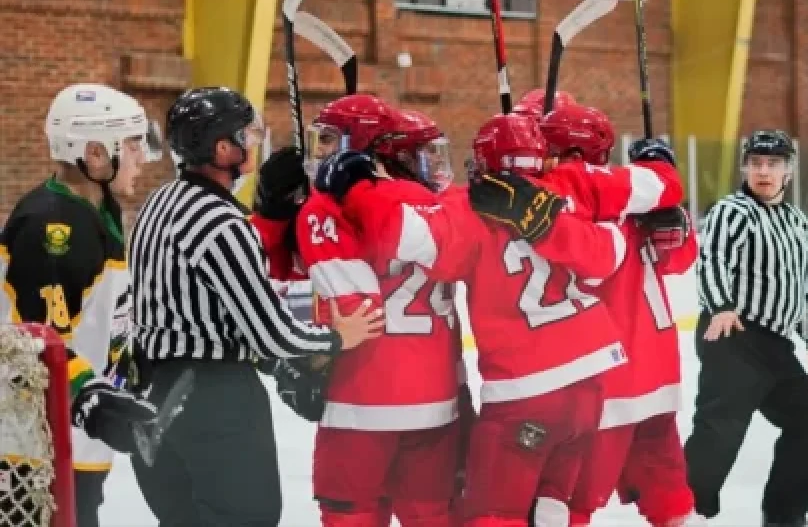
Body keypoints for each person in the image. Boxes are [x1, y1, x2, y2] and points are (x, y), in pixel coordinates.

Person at [313, 112, 631, 527]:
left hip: (526, 387)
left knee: (493, 513)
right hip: (592, 381)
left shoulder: (468, 206)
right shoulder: (564, 193)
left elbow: (406, 234)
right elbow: (611, 254)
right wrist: (546, 220)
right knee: (550, 502)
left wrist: (356, 187)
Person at [127, 86, 385, 526]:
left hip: (150, 395)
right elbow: (271, 331)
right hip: (212, 401)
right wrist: (338, 335)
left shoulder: (158, 203)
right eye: (246, 134)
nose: (255, 141)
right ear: (222, 147)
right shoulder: (222, 223)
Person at [288, 94, 464, 527]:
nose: (322, 152)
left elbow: (355, 312)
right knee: (431, 516)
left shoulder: (325, 206)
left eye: (329, 141)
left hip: (359, 401)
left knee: (352, 515)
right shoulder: (443, 201)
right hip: (436, 402)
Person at [0, 83, 164, 527]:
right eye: (131, 145)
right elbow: (35, 337)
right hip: (33, 451)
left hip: (68, 438)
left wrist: (129, 360)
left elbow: (95, 312)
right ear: (95, 154)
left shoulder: (94, 210)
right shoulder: (54, 224)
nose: (141, 158)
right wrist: (89, 396)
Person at [534, 105, 700, 527]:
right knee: (668, 493)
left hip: (607, 375)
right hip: (657, 371)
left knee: (569, 500)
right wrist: (668, 197)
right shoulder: (639, 193)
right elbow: (681, 257)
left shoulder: (571, 193)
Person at [682, 129, 808, 527]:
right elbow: (711, 261)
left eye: (774, 164)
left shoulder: (797, 221)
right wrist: (722, 307)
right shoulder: (732, 211)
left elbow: (801, 285)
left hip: (775, 345)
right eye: (757, 163)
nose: (764, 171)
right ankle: (681, 507)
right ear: (746, 167)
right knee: (722, 428)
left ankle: (784, 515)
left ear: (789, 172)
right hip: (732, 335)